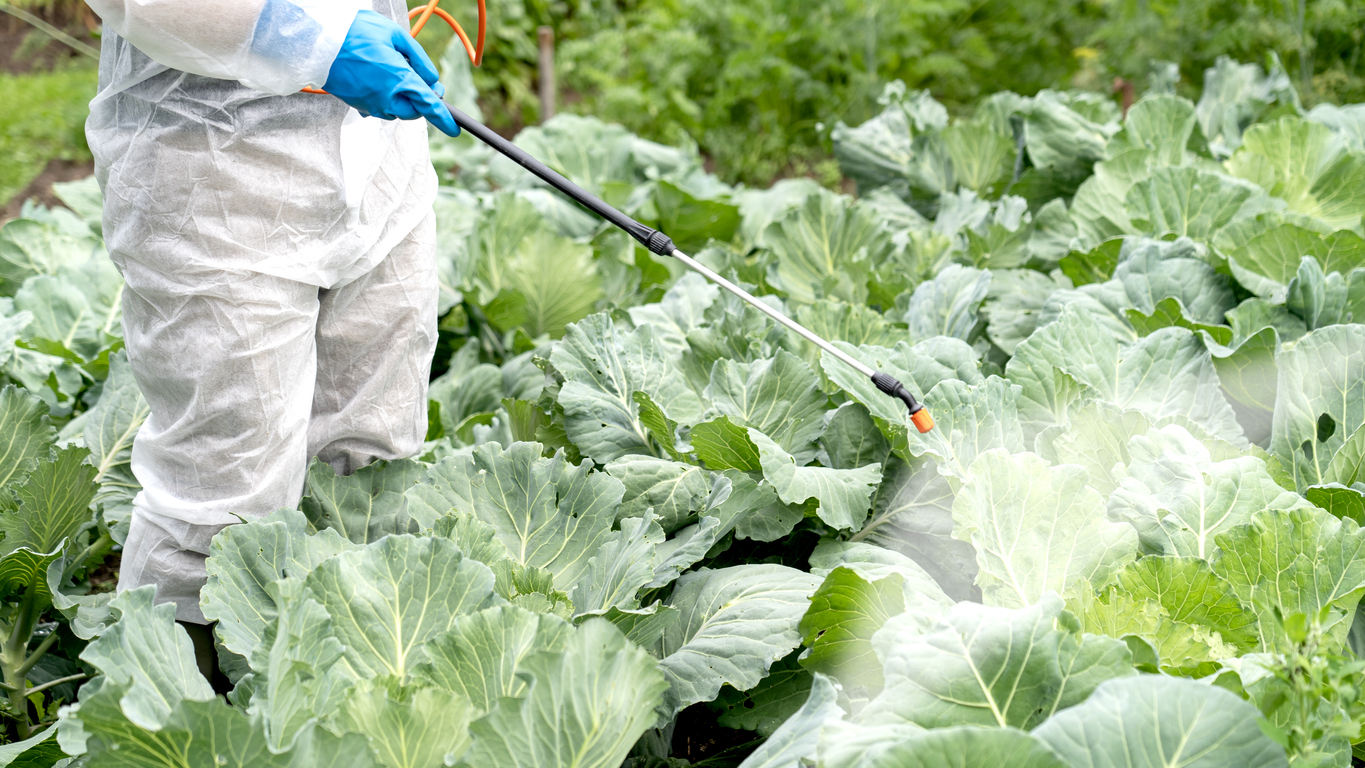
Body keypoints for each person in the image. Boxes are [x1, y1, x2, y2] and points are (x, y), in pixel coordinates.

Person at [83, 0, 461, 672]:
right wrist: (305, 36)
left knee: (373, 448)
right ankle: (181, 712)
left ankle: (360, 685)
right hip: (212, 170)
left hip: (379, 159)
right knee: (220, 494)